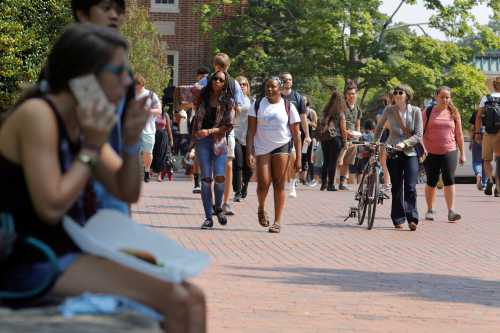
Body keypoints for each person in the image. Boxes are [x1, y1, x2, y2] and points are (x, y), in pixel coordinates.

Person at [0, 24, 206, 333]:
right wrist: (92, 146)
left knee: (194, 297)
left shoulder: (84, 118)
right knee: (177, 300)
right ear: (86, 76)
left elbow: (125, 190)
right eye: (119, 71)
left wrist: (131, 140)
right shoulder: (38, 115)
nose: (127, 82)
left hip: (68, 250)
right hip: (32, 258)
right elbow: (51, 207)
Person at [71, 0, 131, 214]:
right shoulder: (75, 72)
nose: (115, 16)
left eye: (119, 10)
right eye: (106, 9)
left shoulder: (121, 71)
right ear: (82, 14)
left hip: (113, 201)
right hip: (79, 199)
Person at [246, 76, 301, 233]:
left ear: (280, 88)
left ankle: (277, 221)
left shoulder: (288, 106)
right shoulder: (257, 105)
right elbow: (250, 131)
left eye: (273, 87)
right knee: (263, 182)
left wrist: (299, 159)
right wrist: (249, 151)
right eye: (267, 87)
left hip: (282, 145)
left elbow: (296, 135)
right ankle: (261, 207)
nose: (269, 89)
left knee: (279, 183)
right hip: (262, 146)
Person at [374, 84, 422, 231]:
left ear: (407, 95)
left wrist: (405, 143)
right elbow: (380, 127)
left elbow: (419, 135)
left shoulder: (416, 111)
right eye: (395, 93)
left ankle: (412, 218)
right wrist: (375, 141)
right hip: (392, 150)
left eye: (400, 92)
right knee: (396, 186)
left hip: (410, 152)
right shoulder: (389, 110)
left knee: (410, 186)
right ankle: (398, 218)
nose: (397, 95)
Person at [191, 71, 235, 229]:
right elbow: (191, 100)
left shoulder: (228, 101)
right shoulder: (202, 96)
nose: (217, 81)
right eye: (215, 79)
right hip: (202, 141)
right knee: (206, 180)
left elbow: (228, 125)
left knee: (220, 177)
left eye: (221, 80)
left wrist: (209, 131)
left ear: (225, 83)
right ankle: (208, 217)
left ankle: (218, 206)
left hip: (219, 141)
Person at [422, 86, 465, 222]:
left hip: (450, 150)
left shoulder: (454, 112)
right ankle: (430, 209)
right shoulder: (428, 112)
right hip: (430, 152)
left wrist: (462, 153)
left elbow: (459, 134)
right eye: (442, 97)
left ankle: (451, 211)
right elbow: (419, 133)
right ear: (436, 97)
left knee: (449, 179)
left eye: (447, 97)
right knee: (431, 180)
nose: (445, 99)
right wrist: (422, 149)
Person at [280, 72, 310, 198]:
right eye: (286, 79)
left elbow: (303, 118)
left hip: (294, 134)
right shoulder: (276, 96)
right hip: (278, 133)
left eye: (290, 79)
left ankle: (292, 185)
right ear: (281, 81)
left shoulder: (298, 98)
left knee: (294, 158)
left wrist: (307, 135)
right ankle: (279, 184)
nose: (288, 81)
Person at [475, 77, 500, 197]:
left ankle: (490, 180)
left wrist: (477, 133)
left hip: (488, 132)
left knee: (487, 159)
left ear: (493, 86)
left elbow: (479, 116)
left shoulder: (486, 98)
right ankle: (498, 187)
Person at [318, 90, 347, 191]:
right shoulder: (340, 113)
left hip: (325, 138)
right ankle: (331, 185)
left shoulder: (326, 111)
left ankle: (323, 184)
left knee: (325, 161)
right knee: (333, 162)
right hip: (336, 138)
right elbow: (343, 129)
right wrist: (345, 141)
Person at [136, 75, 162, 182]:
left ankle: (147, 170)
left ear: (142, 84)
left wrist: (148, 111)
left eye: (136, 85)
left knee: (148, 152)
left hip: (148, 129)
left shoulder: (151, 95)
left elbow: (159, 111)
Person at [338, 80, 362, 190]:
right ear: (345, 95)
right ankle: (331, 181)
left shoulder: (358, 109)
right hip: (341, 136)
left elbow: (358, 125)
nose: (351, 96)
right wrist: (347, 135)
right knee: (338, 160)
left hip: (353, 139)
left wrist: (357, 135)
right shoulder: (342, 107)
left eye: (353, 93)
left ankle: (342, 183)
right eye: (349, 94)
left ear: (356, 94)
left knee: (347, 162)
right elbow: (342, 125)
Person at [233, 76, 253, 201]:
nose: (242, 86)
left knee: (249, 167)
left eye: (244, 84)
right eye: (239, 84)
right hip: (234, 134)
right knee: (238, 163)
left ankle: (245, 186)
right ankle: (238, 191)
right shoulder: (232, 100)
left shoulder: (252, 102)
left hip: (248, 136)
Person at [151, 107, 174, 181]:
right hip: (154, 135)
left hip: (163, 136)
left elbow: (168, 128)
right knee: (153, 154)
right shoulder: (153, 114)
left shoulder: (165, 115)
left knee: (162, 155)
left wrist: (171, 140)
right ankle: (150, 170)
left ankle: (159, 175)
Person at [301, 96, 318, 186]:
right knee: (301, 158)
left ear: (307, 101)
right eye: (301, 100)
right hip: (300, 138)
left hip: (309, 138)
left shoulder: (312, 112)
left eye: (304, 100)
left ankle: (311, 178)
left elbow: (316, 125)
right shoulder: (298, 111)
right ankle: (302, 179)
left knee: (309, 158)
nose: (303, 101)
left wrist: (309, 122)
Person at [469, 109, 487, 190]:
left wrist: (471, 141)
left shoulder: (477, 112)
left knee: (477, 161)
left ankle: (478, 174)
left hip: (477, 136)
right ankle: (484, 183)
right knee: (486, 161)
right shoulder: (495, 110)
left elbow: (472, 127)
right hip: (488, 137)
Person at [355, 119, 376, 183]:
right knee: (370, 171)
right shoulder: (374, 135)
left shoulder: (362, 135)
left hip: (362, 155)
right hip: (371, 155)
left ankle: (359, 186)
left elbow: (359, 146)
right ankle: (369, 184)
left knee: (360, 172)